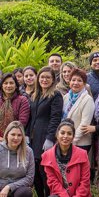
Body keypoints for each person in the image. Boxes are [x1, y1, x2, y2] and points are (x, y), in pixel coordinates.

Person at [26, 66, 63, 197]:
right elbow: (31, 117)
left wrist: (50, 138)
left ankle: (49, 194)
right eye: (42, 77)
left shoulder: (55, 95)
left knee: (44, 170)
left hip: (45, 137)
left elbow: (55, 118)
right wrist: (26, 135)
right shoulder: (35, 94)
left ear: (53, 79)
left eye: (48, 77)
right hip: (33, 137)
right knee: (34, 169)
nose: (44, 79)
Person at [41, 119, 91, 197]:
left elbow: (85, 181)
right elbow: (53, 182)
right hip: (60, 195)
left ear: (73, 137)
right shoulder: (47, 156)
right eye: (62, 133)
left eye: (69, 133)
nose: (65, 136)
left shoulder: (82, 154)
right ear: (57, 135)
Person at [63, 68, 95, 152]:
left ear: (84, 84)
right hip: (65, 140)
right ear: (69, 82)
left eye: (79, 80)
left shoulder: (88, 99)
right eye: (73, 80)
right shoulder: (66, 97)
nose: (76, 83)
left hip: (80, 143)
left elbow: (84, 124)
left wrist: (72, 140)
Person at [0, 121, 34, 197]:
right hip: (0, 187)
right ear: (7, 135)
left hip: (18, 188)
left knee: (26, 192)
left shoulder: (28, 151)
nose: (16, 138)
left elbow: (30, 178)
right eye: (13, 134)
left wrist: (9, 187)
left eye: (19, 135)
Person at [0, 73, 30, 138]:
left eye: (11, 83)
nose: (8, 86)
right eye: (5, 83)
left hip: (15, 138)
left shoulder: (22, 100)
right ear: (2, 85)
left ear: (16, 85)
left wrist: (8, 137)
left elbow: (22, 122)